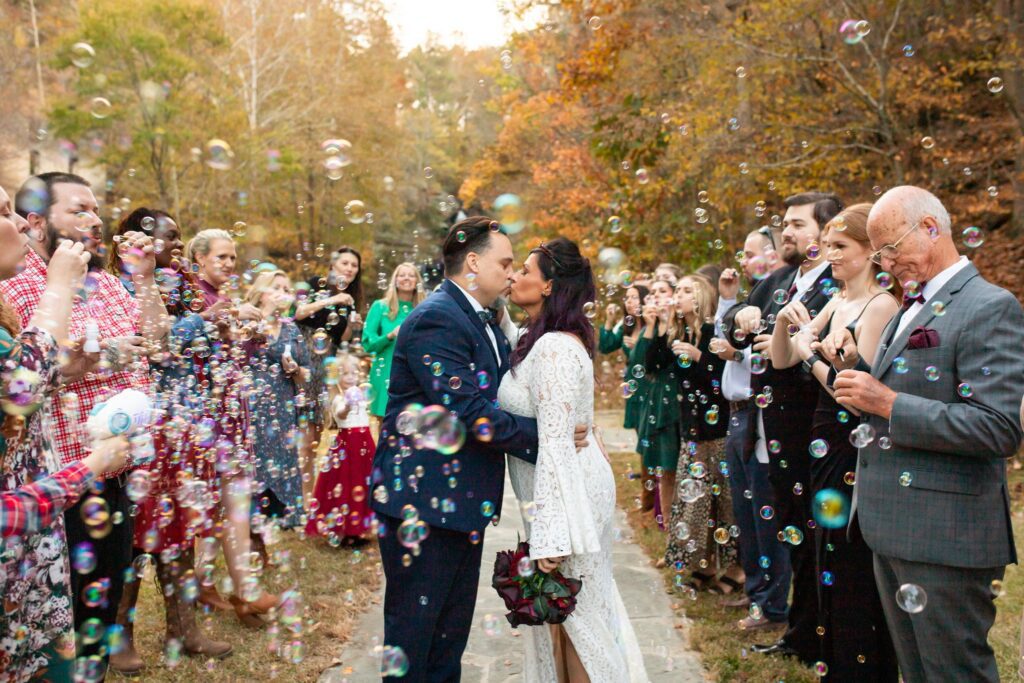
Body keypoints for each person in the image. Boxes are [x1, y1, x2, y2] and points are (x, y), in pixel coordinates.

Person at [369, 217, 588, 682]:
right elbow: (469, 412)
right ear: (472, 262)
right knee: (415, 641)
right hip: (422, 507)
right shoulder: (437, 318)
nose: (512, 274)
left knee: (448, 642)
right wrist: (547, 436)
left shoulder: (480, 318)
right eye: (505, 263)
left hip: (459, 507)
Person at [829, 186, 1024, 683]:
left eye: (891, 248)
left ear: (932, 229)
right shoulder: (912, 304)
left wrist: (887, 403)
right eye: (879, 254)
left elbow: (998, 426)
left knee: (954, 674)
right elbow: (914, 388)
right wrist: (861, 371)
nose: (887, 263)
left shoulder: (987, 305)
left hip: (946, 534)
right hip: (893, 524)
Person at [2, 172, 169, 675]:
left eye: (95, 209)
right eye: (78, 209)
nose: (95, 219)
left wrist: (142, 278)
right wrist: (101, 359)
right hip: (61, 474)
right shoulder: (22, 283)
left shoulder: (109, 284)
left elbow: (157, 340)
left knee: (102, 598)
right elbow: (26, 377)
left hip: (116, 465)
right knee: (59, 619)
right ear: (37, 223)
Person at [500, 237, 648, 681]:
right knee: (560, 618)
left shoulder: (555, 349)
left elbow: (559, 445)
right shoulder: (535, 338)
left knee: (576, 620)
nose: (513, 276)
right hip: (558, 493)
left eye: (524, 270)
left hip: (569, 494)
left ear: (548, 286)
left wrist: (551, 535)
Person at [770, 204, 899, 680]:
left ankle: (860, 663)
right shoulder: (838, 301)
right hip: (822, 441)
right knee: (826, 553)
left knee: (848, 562)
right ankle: (836, 661)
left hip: (851, 443)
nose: (831, 257)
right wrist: (786, 325)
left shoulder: (879, 306)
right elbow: (781, 361)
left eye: (841, 248)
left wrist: (813, 359)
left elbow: (857, 395)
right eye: (827, 247)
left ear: (871, 252)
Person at [107, 209, 232, 674]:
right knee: (136, 533)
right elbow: (155, 344)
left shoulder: (179, 284)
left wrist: (220, 327)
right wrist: (205, 323)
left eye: (181, 237)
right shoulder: (116, 285)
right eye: (169, 237)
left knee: (178, 526)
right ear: (135, 241)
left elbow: (190, 347)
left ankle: (184, 628)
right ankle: (120, 631)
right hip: (140, 419)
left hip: (182, 420)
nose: (177, 245)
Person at [723, 191, 843, 662]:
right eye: (784, 225)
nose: (786, 233)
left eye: (797, 224)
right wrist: (742, 315)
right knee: (793, 534)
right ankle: (799, 634)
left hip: (813, 433)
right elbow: (736, 322)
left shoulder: (836, 286)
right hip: (768, 430)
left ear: (824, 233)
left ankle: (820, 635)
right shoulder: (776, 281)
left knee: (815, 541)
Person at [185, 229, 279, 627]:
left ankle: (242, 590)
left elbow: (233, 355)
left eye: (233, 258)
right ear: (200, 260)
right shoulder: (192, 298)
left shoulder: (228, 300)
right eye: (221, 257)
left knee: (234, 500)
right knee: (210, 506)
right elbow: (181, 347)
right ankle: (222, 588)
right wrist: (224, 320)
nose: (229, 264)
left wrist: (253, 337)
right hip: (203, 417)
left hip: (231, 413)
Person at [713, 230, 790, 630]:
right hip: (738, 415)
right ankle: (756, 591)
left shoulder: (782, 300)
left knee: (766, 514)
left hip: (762, 416)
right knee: (746, 511)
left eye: (750, 254)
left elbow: (760, 358)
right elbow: (720, 343)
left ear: (772, 256)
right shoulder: (751, 298)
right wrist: (727, 298)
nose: (743, 262)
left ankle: (772, 604)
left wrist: (738, 352)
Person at [646, 275, 738, 593]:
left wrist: (700, 357)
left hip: (718, 429)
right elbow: (652, 364)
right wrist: (660, 324)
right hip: (693, 430)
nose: (677, 296)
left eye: (685, 291)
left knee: (724, 503)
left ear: (700, 296)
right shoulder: (679, 332)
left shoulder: (713, 333)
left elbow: (720, 386)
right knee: (697, 504)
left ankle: (737, 568)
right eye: (678, 291)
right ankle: (705, 564)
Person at [295, 248, 363, 515]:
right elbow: (299, 313)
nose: (349, 268)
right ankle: (300, 501)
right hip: (304, 355)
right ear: (333, 264)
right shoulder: (316, 285)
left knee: (315, 434)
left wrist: (353, 324)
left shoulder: (351, 298)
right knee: (303, 434)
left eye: (354, 265)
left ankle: (309, 500)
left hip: (326, 362)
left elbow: (341, 336)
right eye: (345, 262)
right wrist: (332, 299)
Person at [246, 270, 308, 529]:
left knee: (283, 457)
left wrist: (294, 370)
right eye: (277, 288)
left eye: (287, 289)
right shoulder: (248, 323)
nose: (284, 293)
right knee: (256, 457)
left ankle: (283, 513)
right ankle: (253, 517)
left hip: (283, 401)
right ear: (261, 293)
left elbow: (306, 373)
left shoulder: (292, 328)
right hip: (253, 402)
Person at [304, 352, 374, 545]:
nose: (350, 377)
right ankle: (345, 528)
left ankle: (359, 527)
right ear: (337, 377)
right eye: (345, 374)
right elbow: (341, 413)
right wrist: (349, 405)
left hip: (364, 442)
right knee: (346, 484)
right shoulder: (338, 399)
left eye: (354, 373)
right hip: (348, 444)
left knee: (362, 481)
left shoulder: (360, 393)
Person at [599, 284, 653, 509]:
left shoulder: (652, 325)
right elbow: (605, 345)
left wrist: (634, 348)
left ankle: (651, 495)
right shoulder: (627, 325)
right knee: (641, 434)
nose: (630, 302)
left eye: (635, 297)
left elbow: (648, 357)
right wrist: (610, 321)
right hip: (634, 386)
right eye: (627, 298)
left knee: (648, 437)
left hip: (648, 386)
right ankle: (649, 493)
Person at [635, 279, 680, 524]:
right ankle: (671, 534)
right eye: (652, 293)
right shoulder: (656, 328)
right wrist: (655, 325)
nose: (657, 297)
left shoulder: (684, 326)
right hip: (660, 405)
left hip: (678, 407)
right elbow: (648, 365)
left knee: (679, 472)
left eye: (663, 291)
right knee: (664, 472)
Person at [362, 263, 424, 425]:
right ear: (394, 280)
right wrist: (390, 335)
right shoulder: (380, 306)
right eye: (401, 275)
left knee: (412, 426)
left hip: (415, 373)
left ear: (417, 281)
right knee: (385, 423)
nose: (406, 278)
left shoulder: (424, 308)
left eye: (411, 275)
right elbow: (368, 343)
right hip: (385, 374)